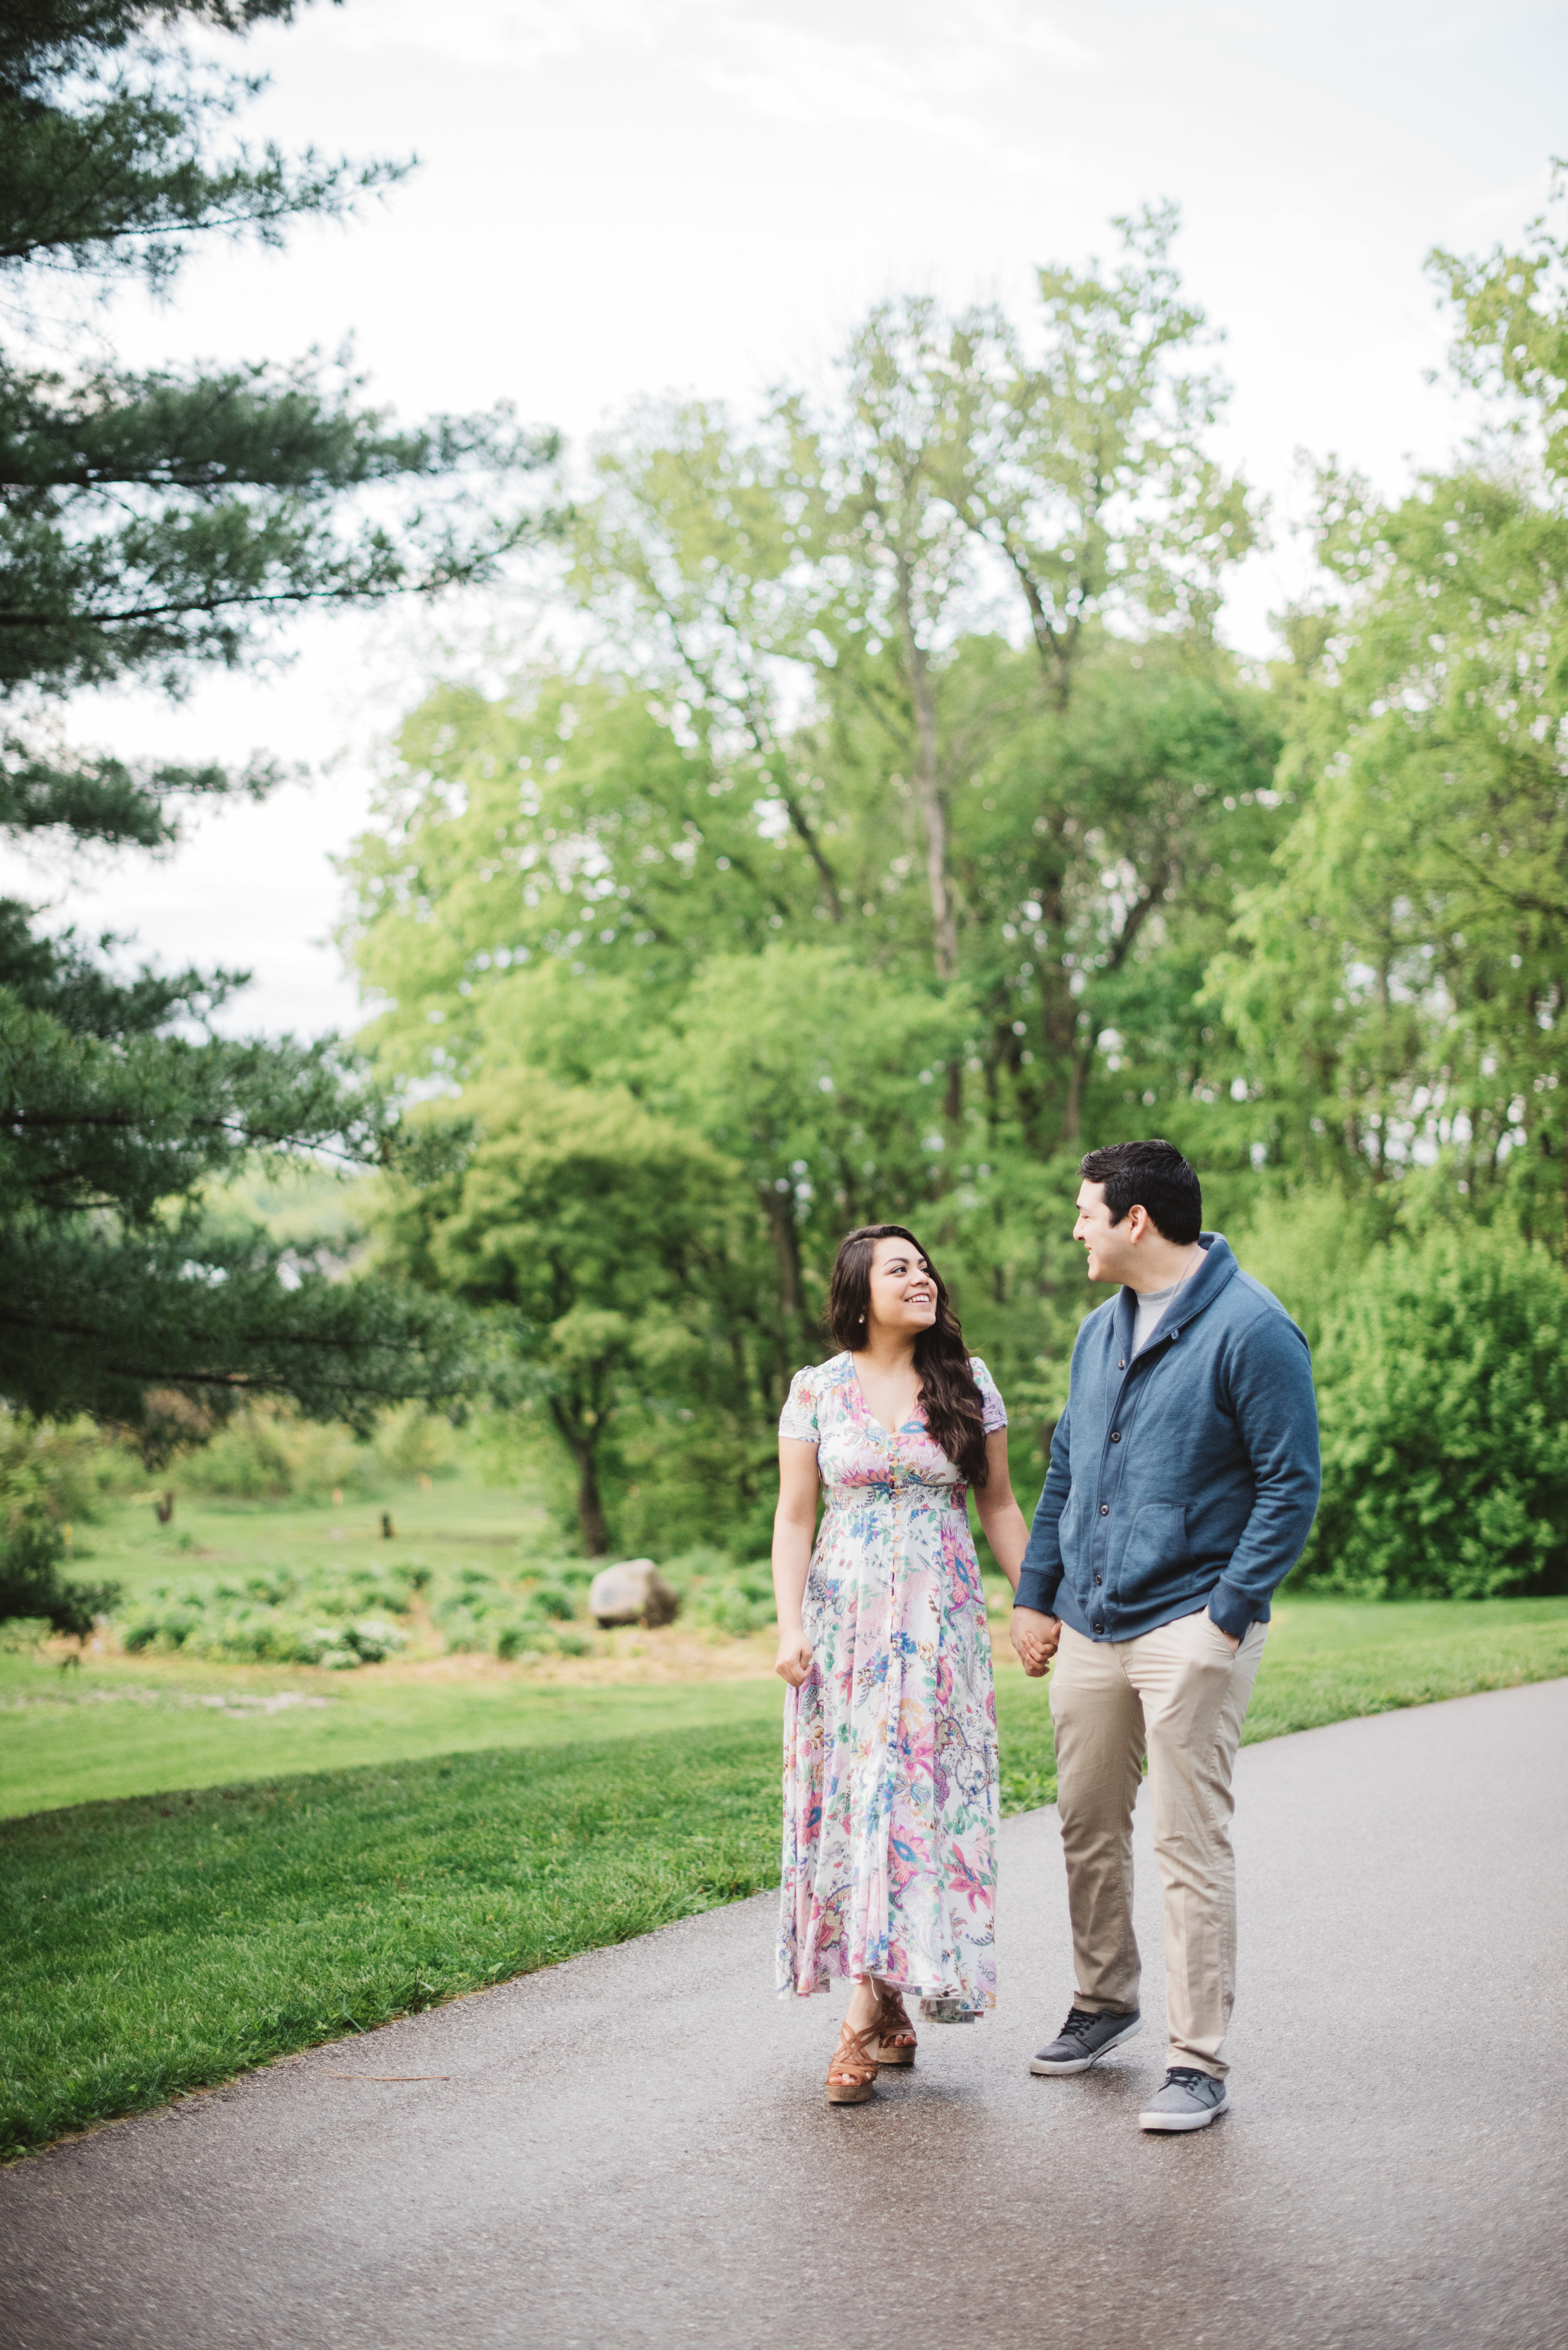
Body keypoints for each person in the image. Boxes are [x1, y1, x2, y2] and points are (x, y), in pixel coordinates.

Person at [1011, 1140, 1320, 2133]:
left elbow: (1290, 1485)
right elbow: (1065, 1466)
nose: (1077, 1227)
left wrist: (1224, 1618)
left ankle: (1197, 2061)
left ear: (1135, 1220)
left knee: (1188, 1840)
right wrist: (1036, 1592)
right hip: (1092, 1622)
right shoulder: (1098, 1329)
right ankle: (1104, 2002)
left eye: (1085, 1210)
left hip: (1192, 1621)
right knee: (1086, 1820)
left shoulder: (1253, 1327)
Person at [772, 1223, 1030, 2105]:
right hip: (843, 1631)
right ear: (858, 1288)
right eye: (899, 1268)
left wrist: (1033, 1603)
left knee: (913, 1801)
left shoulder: (967, 1380)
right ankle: (878, 2000)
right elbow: (795, 1517)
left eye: (924, 1266)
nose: (921, 1277)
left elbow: (997, 1502)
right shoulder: (817, 1389)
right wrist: (786, 1624)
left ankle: (863, 2015)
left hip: (939, 1629)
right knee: (860, 1800)